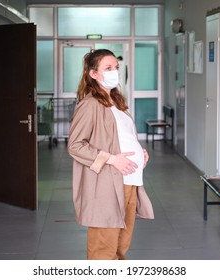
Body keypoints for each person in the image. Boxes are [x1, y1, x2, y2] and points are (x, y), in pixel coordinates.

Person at [68, 49, 154, 260]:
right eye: (108, 68)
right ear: (93, 74)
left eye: (116, 67)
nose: (114, 72)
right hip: (108, 185)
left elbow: (120, 136)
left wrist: (139, 152)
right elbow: (75, 145)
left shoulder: (116, 102)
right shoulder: (90, 105)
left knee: (119, 248)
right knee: (102, 252)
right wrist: (112, 159)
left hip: (130, 182)